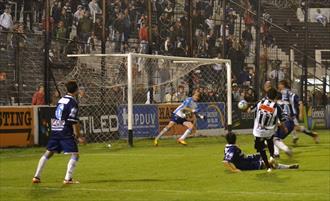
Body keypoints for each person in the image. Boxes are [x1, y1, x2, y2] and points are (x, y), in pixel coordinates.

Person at [32, 80, 85, 184]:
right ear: (76, 90)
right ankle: (68, 179)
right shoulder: (73, 102)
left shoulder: (61, 100)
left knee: (48, 153)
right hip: (65, 130)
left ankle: (36, 176)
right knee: (75, 155)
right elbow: (72, 120)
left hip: (56, 128)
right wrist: (78, 136)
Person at [247, 88, 287, 172]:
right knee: (270, 142)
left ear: (267, 95)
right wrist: (284, 128)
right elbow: (282, 120)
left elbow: (249, 110)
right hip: (269, 131)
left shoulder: (260, 103)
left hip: (258, 131)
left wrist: (245, 107)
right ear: (275, 96)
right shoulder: (277, 107)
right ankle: (272, 156)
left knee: (261, 149)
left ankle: (268, 167)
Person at [223, 132, 299, 172]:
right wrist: (234, 170)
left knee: (262, 154)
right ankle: (288, 167)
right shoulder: (232, 148)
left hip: (248, 158)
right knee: (268, 163)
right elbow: (226, 162)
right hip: (247, 164)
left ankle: (274, 160)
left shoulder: (229, 146)